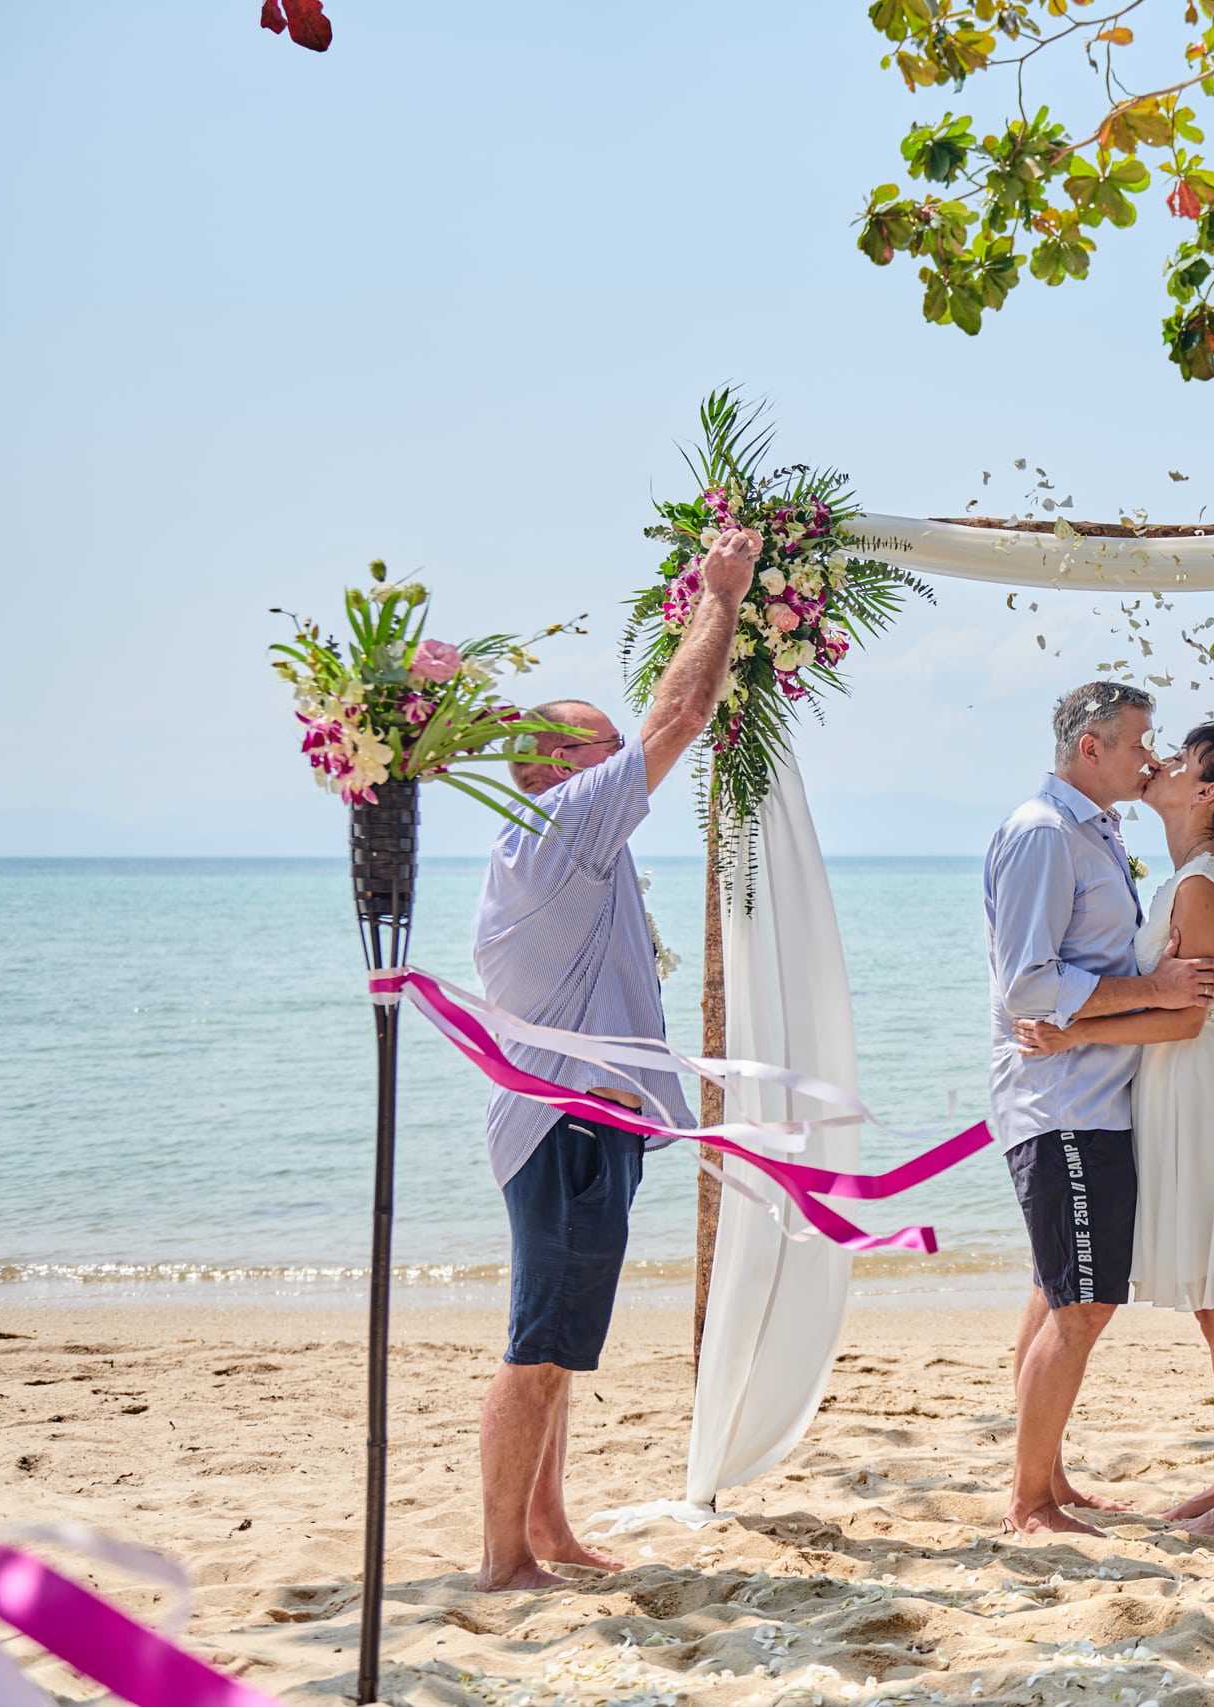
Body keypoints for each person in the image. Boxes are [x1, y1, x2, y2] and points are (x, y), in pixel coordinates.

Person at [467, 525, 764, 1590]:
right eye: (605, 751)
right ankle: (504, 1558)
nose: (624, 765)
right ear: (557, 768)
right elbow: (681, 713)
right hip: (569, 1132)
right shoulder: (559, 826)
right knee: (541, 1349)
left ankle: (545, 1529)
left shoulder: (553, 846)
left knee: (558, 1345)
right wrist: (722, 594)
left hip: (582, 1126)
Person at [1015, 723, 1214, 1538]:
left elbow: (1183, 1020)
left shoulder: (1201, 886)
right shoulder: (1196, 877)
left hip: (1200, 1085)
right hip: (1192, 1085)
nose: (1162, 766)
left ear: (1206, 792)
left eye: (1179, 762)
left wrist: (1073, 1035)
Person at [984, 682, 1214, 1536]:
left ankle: (1044, 1475)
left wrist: (1140, 1002)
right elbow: (1030, 985)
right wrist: (1153, 989)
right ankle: (1029, 1500)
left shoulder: (1099, 828)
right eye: (1136, 744)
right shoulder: (1045, 836)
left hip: (1093, 1096)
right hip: (1064, 1103)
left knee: (1058, 1296)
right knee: (1083, 1305)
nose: (1149, 758)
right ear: (1091, 747)